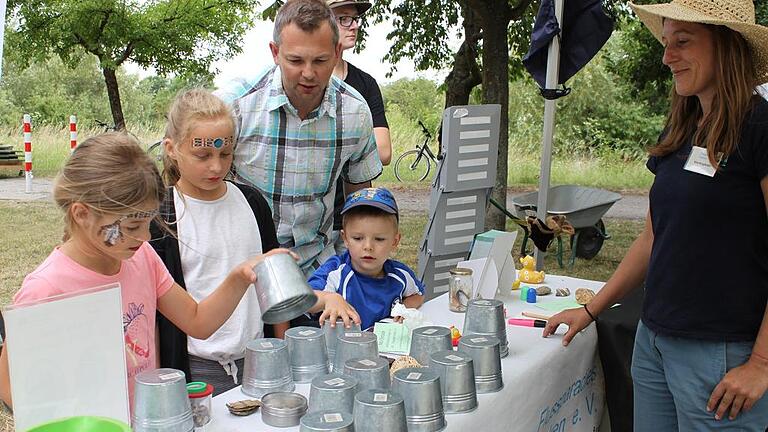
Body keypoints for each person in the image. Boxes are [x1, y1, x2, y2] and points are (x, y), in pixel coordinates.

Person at [543, 1, 768, 429]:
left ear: (726, 45)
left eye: (682, 42)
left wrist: (761, 363)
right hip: (654, 340)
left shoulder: (760, 128)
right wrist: (592, 310)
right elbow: (652, 237)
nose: (667, 57)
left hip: (720, 353)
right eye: (666, 43)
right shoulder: (682, 128)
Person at [0, 133, 295, 409]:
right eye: (131, 227)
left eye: (147, 222)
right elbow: (10, 390)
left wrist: (240, 276)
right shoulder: (46, 289)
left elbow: (198, 322)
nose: (145, 236)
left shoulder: (141, 258)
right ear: (82, 214)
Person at [216, 0, 382, 275]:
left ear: (337, 51)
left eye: (320, 60)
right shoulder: (233, 107)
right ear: (275, 52)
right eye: (295, 60)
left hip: (320, 269)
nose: (308, 73)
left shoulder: (355, 112)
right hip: (246, 268)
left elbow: (360, 200)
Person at [149, 89, 289, 395]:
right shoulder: (162, 216)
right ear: (172, 149)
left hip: (258, 358)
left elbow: (272, 284)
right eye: (202, 155)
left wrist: (281, 349)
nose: (216, 166)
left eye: (225, 153)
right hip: (197, 367)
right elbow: (155, 313)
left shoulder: (252, 202)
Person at [327, 0, 392, 254]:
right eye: (344, 18)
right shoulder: (305, 83)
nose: (353, 26)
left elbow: (384, 152)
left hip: (348, 218)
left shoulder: (365, 85)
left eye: (355, 19)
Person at [308, 187, 424, 330]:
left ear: (394, 241)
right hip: (342, 347)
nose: (368, 246)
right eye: (358, 238)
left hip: (387, 347)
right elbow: (306, 301)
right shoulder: (336, 271)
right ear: (345, 238)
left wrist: (404, 309)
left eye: (379, 239)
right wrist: (329, 298)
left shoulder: (400, 274)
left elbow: (418, 295)